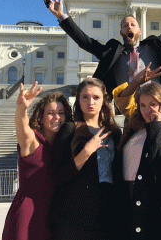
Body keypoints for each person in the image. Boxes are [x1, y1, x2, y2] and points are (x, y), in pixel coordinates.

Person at [45, 0, 161, 96]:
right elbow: (85, 41)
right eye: (125, 25)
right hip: (127, 109)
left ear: (139, 30)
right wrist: (61, 16)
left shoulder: (154, 46)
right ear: (120, 32)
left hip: (156, 106)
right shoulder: (113, 53)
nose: (129, 27)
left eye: (133, 24)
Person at [49, 78, 122, 240]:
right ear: (78, 100)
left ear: (103, 101)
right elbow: (58, 177)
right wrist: (86, 152)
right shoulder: (69, 129)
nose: (91, 102)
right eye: (85, 97)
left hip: (106, 213)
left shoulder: (114, 132)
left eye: (96, 97)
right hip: (75, 214)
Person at [2, 84, 73, 240]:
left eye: (61, 113)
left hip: (54, 217)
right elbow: (23, 128)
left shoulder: (66, 146)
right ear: (40, 117)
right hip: (28, 214)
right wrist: (21, 109)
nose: (57, 118)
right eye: (51, 113)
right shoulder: (33, 141)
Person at [117, 82, 161, 239]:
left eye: (152, 104)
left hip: (152, 201)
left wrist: (155, 127)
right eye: (142, 105)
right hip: (127, 198)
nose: (147, 110)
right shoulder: (133, 128)